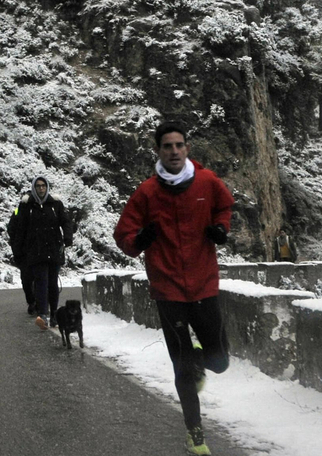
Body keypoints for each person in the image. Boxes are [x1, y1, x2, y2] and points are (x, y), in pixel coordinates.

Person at [114, 123, 235, 456]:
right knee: (182, 367)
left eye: (179, 145)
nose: (174, 151)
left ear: (187, 148)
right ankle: (195, 435)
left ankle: (200, 359)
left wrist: (221, 229)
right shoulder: (147, 193)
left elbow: (225, 206)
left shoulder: (207, 182)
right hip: (168, 290)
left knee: (220, 362)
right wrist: (141, 240)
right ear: (158, 151)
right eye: (167, 146)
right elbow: (123, 236)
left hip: (204, 283)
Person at [11, 174, 73, 331]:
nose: (40, 188)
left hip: (54, 250)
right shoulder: (26, 206)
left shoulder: (56, 204)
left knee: (52, 284)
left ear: (47, 187)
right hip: (35, 251)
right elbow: (20, 229)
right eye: (38, 186)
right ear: (33, 188)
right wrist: (17, 251)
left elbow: (66, 222)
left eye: (43, 186)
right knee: (41, 283)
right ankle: (43, 315)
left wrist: (67, 237)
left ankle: (53, 316)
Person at [6, 188, 36, 314]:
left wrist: (15, 244)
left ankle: (32, 302)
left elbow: (11, 227)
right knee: (37, 278)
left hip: (23, 251)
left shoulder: (19, 209)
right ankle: (38, 302)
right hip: (31, 250)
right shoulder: (38, 208)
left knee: (27, 279)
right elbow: (12, 227)